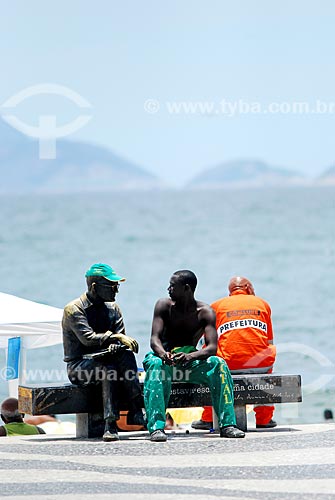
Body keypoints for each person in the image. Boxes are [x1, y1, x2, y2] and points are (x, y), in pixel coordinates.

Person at [143, 270, 245, 442]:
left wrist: (190, 356)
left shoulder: (205, 312)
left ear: (186, 288)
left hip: (190, 361)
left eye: (173, 286)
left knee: (218, 363)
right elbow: (154, 339)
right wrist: (163, 354)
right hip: (164, 359)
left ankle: (227, 425)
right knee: (155, 364)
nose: (168, 289)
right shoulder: (163, 305)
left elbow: (212, 348)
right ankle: (156, 428)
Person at [62, 263, 145, 442]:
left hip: (109, 358)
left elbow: (120, 338)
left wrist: (116, 344)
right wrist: (114, 338)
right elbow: (88, 338)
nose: (116, 290)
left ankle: (136, 411)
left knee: (126, 355)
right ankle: (110, 423)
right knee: (108, 370)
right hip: (79, 365)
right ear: (94, 287)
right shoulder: (74, 309)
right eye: (112, 286)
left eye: (117, 286)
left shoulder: (113, 308)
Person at [192, 276, 277, 430]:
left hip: (227, 365)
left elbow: (206, 343)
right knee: (266, 356)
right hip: (259, 366)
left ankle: (208, 418)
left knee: (210, 366)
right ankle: (264, 418)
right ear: (249, 288)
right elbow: (269, 342)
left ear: (231, 291)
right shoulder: (263, 304)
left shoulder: (216, 306)